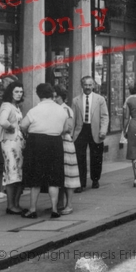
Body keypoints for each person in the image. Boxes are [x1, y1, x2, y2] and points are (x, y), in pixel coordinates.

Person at [19, 83, 70, 219]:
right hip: (55, 142)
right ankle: (54, 209)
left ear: (38, 94)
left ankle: (32, 209)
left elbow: (23, 125)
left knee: (35, 177)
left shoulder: (34, 110)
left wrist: (28, 133)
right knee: (54, 178)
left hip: (36, 142)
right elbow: (65, 128)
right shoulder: (61, 110)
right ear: (52, 94)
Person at [72, 76, 109, 191]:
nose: (87, 87)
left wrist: (103, 130)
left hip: (95, 130)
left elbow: (104, 116)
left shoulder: (100, 99)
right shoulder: (75, 100)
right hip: (80, 130)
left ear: (93, 85)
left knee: (96, 156)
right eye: (85, 85)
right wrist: (70, 134)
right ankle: (80, 183)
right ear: (82, 86)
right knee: (79, 157)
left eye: (90, 85)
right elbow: (73, 118)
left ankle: (95, 179)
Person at [0, 81, 25, 215]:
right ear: (10, 92)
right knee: (12, 172)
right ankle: (11, 205)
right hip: (10, 143)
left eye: (21, 92)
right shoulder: (7, 106)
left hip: (18, 143)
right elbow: (2, 121)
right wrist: (12, 127)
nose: (19, 94)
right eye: (16, 92)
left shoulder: (16, 106)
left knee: (19, 173)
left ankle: (16, 204)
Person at [54, 85, 79, 214]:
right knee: (59, 175)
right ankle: (59, 204)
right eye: (52, 96)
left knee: (69, 174)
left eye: (56, 96)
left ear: (62, 97)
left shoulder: (66, 109)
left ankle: (69, 205)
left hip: (65, 142)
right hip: (56, 142)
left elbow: (68, 128)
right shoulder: (53, 108)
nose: (54, 98)